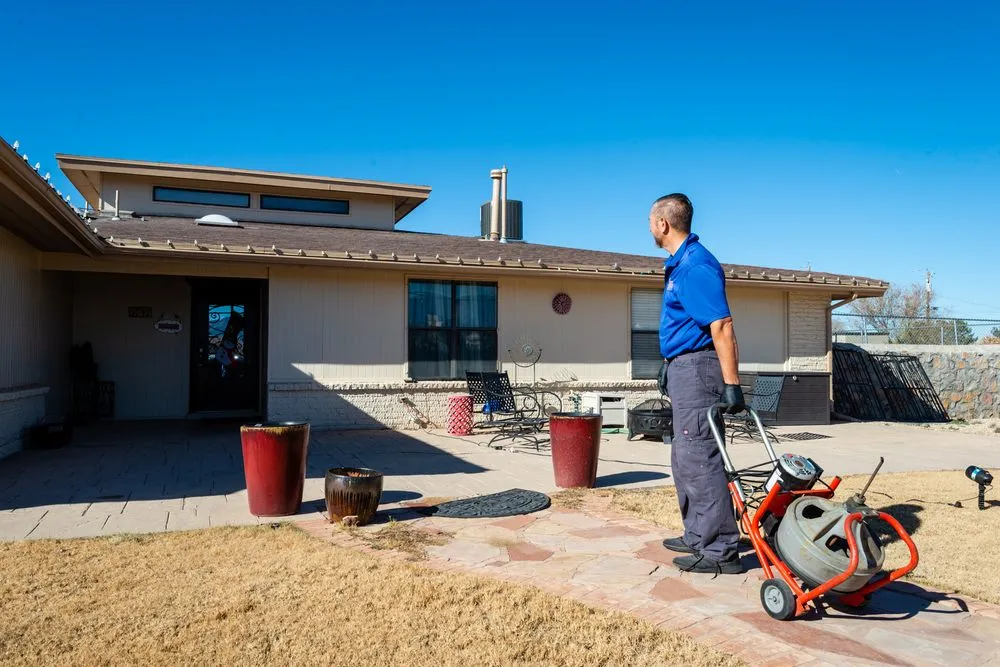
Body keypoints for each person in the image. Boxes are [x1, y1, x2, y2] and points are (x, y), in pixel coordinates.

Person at [648, 193, 746, 575]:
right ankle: (697, 534)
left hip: (698, 370)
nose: (649, 227)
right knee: (683, 456)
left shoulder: (695, 265)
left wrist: (732, 383)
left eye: (650, 221)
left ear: (663, 223)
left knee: (699, 454)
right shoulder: (680, 264)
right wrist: (669, 363)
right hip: (683, 367)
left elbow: (721, 325)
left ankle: (720, 549)